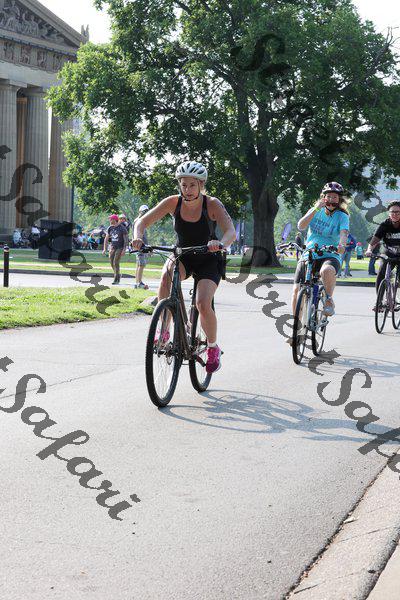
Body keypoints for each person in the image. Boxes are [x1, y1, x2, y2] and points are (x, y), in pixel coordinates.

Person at [132, 160, 236, 373]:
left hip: (208, 257)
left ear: (201, 185)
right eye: (184, 184)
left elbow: (230, 232)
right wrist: (138, 237)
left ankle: (213, 347)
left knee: (203, 303)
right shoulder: (173, 202)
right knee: (166, 276)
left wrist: (220, 244)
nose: (187, 190)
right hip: (183, 255)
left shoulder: (212, 204)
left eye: (192, 185)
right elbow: (141, 222)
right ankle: (164, 331)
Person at [289, 182, 349, 332]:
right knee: (296, 291)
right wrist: (316, 208)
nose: (331, 200)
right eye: (329, 196)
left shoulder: (342, 216)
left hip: (330, 253)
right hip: (310, 253)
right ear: (323, 197)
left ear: (339, 200)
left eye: (335, 197)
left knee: (326, 271)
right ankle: (296, 328)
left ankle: (328, 299)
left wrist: (342, 245)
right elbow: (301, 226)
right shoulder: (316, 210)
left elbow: (344, 233)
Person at [365, 201, 400, 298]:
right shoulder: (385, 224)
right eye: (392, 212)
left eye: (397, 212)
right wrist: (369, 250)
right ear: (389, 213)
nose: (394, 214)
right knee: (381, 274)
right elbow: (374, 240)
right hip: (388, 252)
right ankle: (379, 301)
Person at [103, 214, 128, 284]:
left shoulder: (122, 228)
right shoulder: (110, 228)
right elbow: (106, 238)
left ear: (114, 220)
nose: (110, 221)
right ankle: (118, 274)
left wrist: (124, 249)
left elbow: (126, 239)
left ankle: (116, 279)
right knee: (111, 262)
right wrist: (105, 248)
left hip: (120, 247)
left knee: (115, 262)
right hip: (113, 247)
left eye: (111, 219)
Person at [133, 205, 150, 289]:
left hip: (142, 245)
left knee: (139, 264)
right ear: (140, 212)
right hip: (140, 246)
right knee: (141, 264)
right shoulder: (138, 221)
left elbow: (145, 236)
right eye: (144, 212)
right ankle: (139, 282)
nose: (145, 213)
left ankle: (137, 282)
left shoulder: (142, 221)